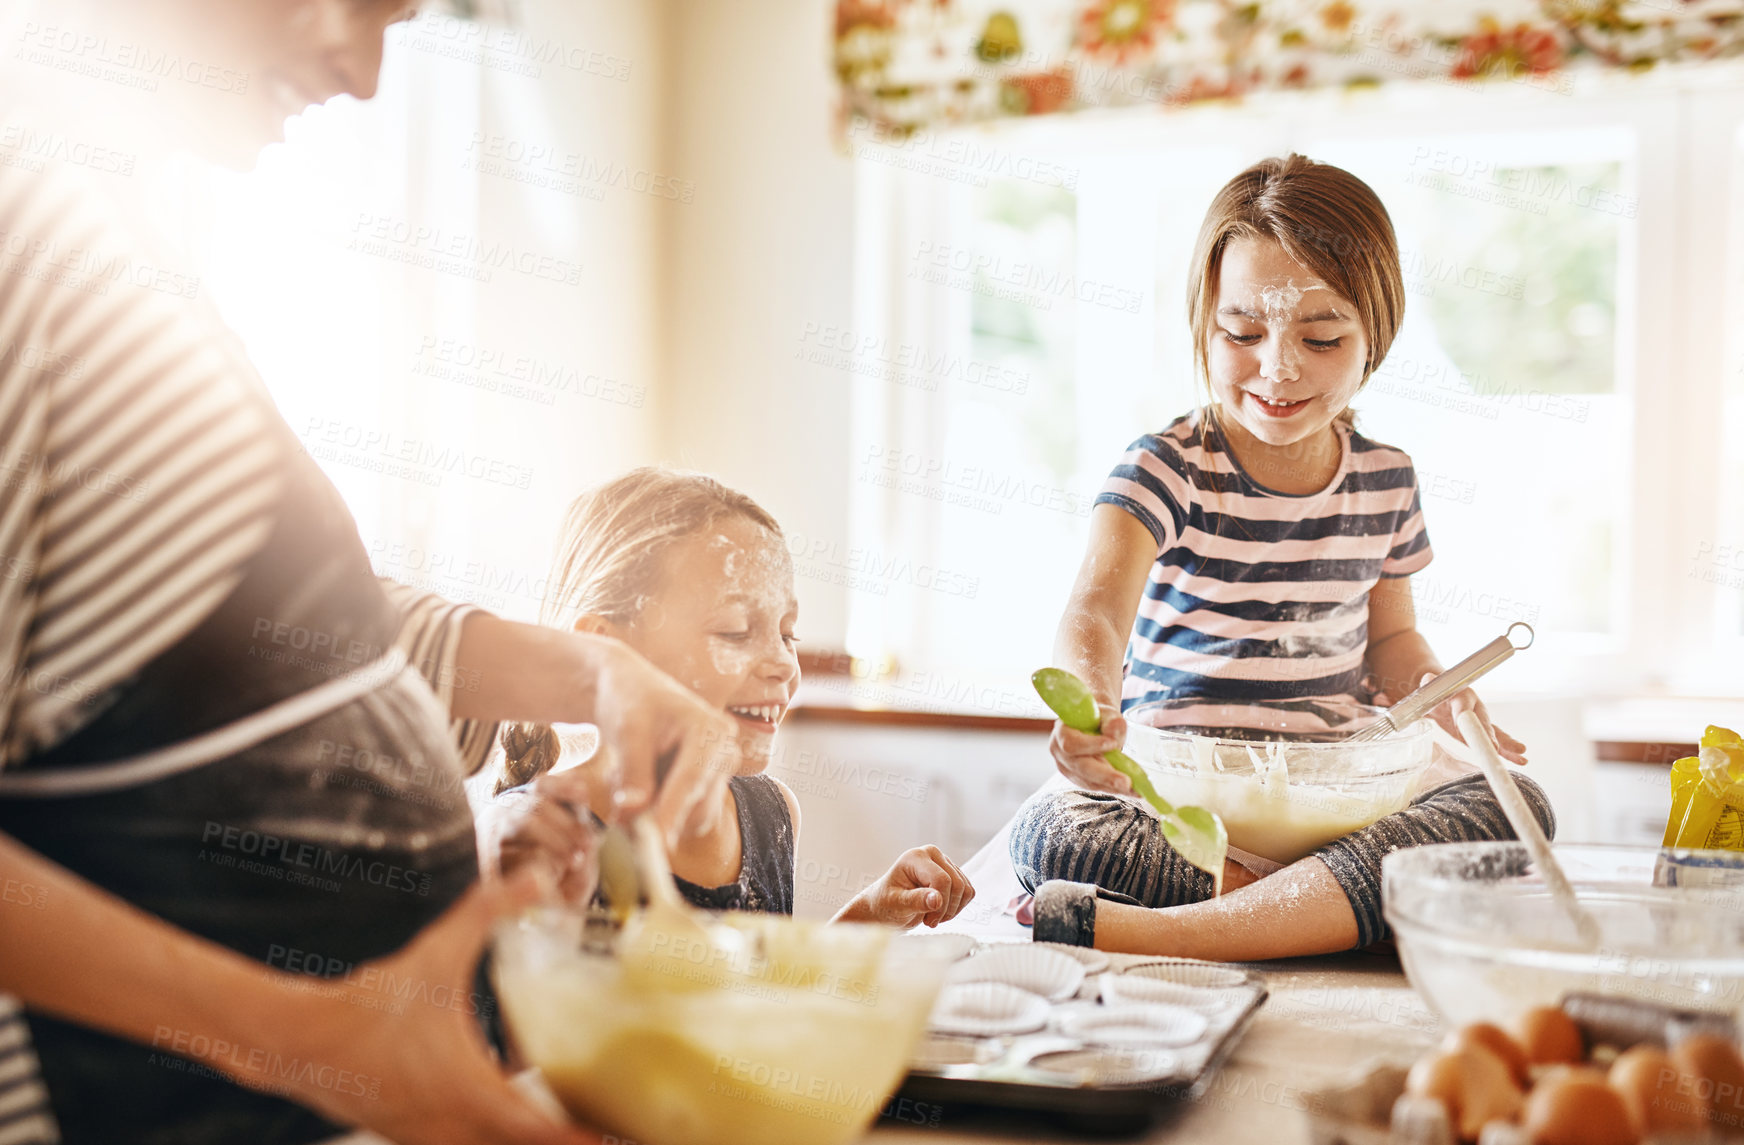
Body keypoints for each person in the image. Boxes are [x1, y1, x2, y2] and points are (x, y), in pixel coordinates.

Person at [0, 2, 737, 1143]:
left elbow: (256, 634)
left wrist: (591, 672)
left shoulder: (109, 229)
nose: (363, 70)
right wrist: (312, 1040)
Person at [1009, 154, 1553, 959]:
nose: (1279, 367)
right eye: (1242, 332)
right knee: (1056, 833)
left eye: (1322, 335)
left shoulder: (1385, 478)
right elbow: (1095, 608)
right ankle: (1323, 911)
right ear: (1205, 324)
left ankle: (1178, 928)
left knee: (1519, 809)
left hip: (1333, 800)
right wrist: (1089, 703)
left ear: (1377, 334)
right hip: (1181, 802)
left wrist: (1438, 692)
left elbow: (1391, 644)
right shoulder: (1166, 466)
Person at [476, 467, 976, 928]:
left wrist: (871, 914)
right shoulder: (538, 839)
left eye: (788, 634)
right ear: (603, 650)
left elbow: (754, 997)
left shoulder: (771, 813)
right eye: (736, 632)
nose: (784, 662)